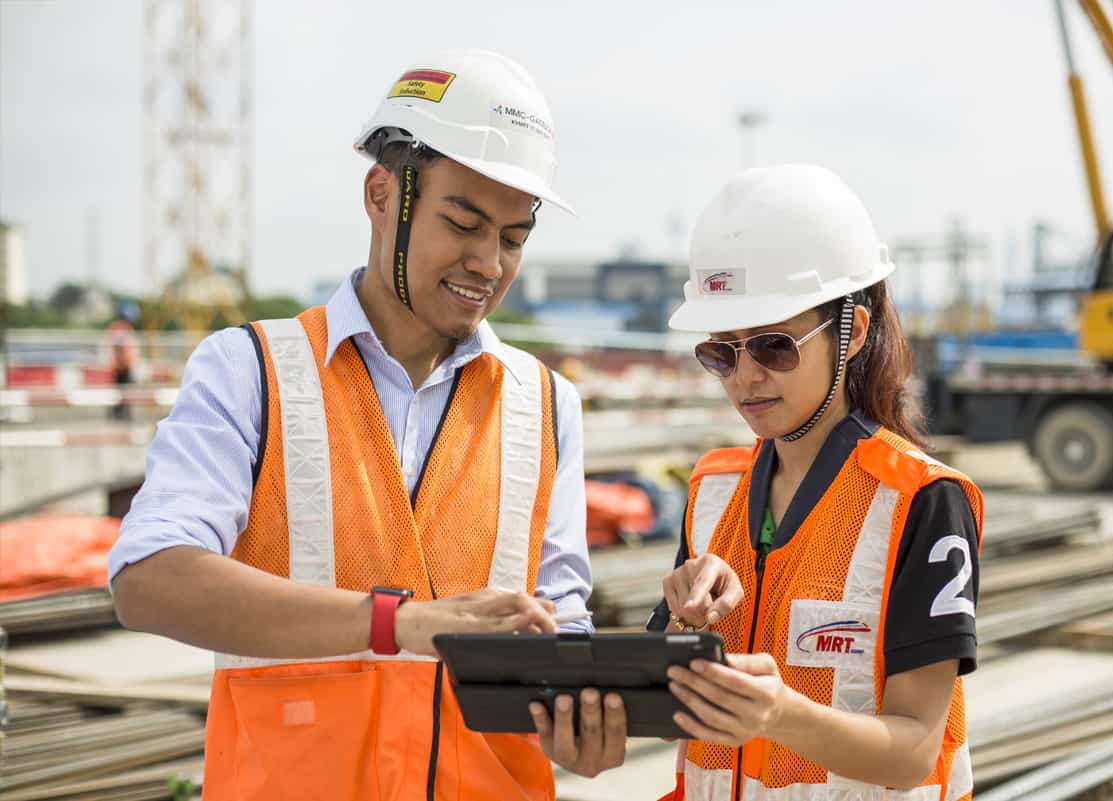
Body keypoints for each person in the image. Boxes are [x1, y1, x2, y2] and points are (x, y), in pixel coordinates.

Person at [108, 49, 625, 800]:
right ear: (382, 193)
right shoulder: (251, 371)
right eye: (463, 222)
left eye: (513, 238)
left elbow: (561, 626)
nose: (488, 261)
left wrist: (587, 726)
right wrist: (396, 622)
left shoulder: (545, 405)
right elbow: (148, 580)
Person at [649, 164, 983, 801]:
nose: (744, 377)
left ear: (851, 331)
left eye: (774, 346)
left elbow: (915, 749)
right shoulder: (711, 491)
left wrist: (779, 715)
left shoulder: (922, 501)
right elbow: (672, 718)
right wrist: (675, 635)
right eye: (722, 351)